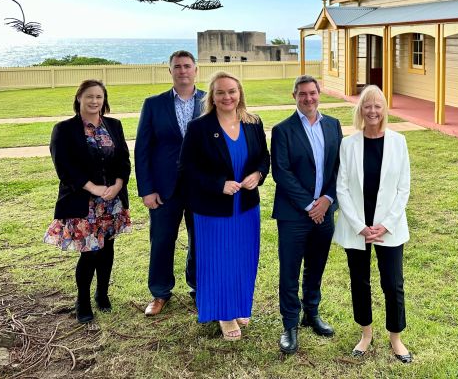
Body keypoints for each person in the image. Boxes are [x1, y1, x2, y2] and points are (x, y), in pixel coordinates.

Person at [178, 71, 270, 340]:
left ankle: (239, 306)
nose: (227, 96)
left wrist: (259, 174)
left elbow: (264, 158)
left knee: (242, 260)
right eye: (220, 92)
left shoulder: (253, 123)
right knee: (218, 261)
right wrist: (218, 184)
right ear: (212, 96)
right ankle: (224, 314)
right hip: (212, 209)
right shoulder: (199, 127)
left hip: (246, 208)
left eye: (232, 91)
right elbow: (186, 169)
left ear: (240, 92)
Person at [333, 85, 412, 363]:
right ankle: (365, 334)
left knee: (393, 283)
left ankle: (396, 338)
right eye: (367, 105)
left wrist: (385, 224)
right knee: (360, 281)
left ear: (385, 109)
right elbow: (341, 187)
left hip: (389, 228)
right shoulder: (348, 144)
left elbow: (404, 188)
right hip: (357, 228)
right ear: (360, 110)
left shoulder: (399, 142)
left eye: (378, 105)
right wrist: (359, 226)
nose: (373, 111)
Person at [44, 79, 132, 324]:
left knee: (107, 249)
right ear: (79, 99)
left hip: (111, 202)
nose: (94, 101)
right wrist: (92, 187)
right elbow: (64, 167)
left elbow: (123, 161)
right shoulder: (64, 129)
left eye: (99, 97)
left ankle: (102, 294)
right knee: (90, 252)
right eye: (89, 97)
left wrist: (117, 185)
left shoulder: (114, 125)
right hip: (84, 202)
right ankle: (82, 300)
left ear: (104, 101)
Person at [271, 75, 343, 354]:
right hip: (294, 214)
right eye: (302, 94)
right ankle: (290, 323)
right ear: (294, 97)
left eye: (312, 93)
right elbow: (281, 172)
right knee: (289, 270)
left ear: (319, 94)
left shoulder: (333, 125)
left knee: (316, 265)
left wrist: (326, 200)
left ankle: (311, 313)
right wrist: (309, 205)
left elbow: (340, 167)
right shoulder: (283, 130)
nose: (308, 98)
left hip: (325, 211)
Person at [135, 50, 204, 317]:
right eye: (178, 67)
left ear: (195, 70)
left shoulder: (210, 100)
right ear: (171, 71)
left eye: (187, 66)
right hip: (164, 188)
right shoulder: (154, 104)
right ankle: (160, 292)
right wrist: (147, 189)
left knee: (200, 239)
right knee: (162, 239)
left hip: (201, 187)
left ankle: (198, 288)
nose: (183, 71)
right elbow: (142, 149)